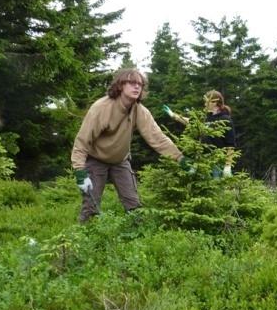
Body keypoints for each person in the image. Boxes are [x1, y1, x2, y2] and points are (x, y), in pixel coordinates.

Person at [71, 68, 191, 222]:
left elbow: (157, 137)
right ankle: (83, 239)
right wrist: (80, 172)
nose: (137, 87)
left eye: (140, 84)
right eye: (132, 83)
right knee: (90, 206)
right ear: (120, 85)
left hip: (120, 161)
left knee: (133, 204)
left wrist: (180, 158)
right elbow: (82, 141)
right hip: (96, 160)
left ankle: (138, 236)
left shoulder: (139, 111)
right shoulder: (101, 108)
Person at [162, 90, 236, 178]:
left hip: (217, 163)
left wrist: (228, 166)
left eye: (206, 101)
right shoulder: (205, 117)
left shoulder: (225, 119)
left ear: (215, 102)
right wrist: (173, 115)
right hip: (201, 161)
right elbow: (190, 121)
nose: (205, 104)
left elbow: (230, 145)